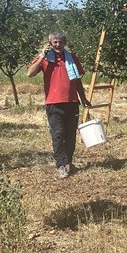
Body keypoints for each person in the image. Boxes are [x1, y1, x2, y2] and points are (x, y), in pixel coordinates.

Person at [27, 32, 90, 178]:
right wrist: (42, 56)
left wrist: (83, 98)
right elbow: (30, 73)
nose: (57, 44)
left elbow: (77, 80)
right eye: (54, 42)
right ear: (50, 43)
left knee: (70, 135)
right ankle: (61, 165)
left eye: (60, 42)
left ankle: (68, 162)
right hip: (53, 103)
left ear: (65, 42)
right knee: (58, 134)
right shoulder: (45, 58)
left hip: (72, 102)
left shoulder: (72, 57)